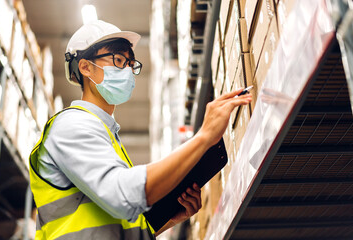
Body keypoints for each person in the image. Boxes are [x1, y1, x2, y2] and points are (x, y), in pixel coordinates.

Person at [29, 20, 252, 240]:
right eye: (118, 60)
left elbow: (115, 225)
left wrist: (168, 219)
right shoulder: (71, 126)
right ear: (86, 67)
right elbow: (122, 195)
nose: (127, 70)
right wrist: (204, 137)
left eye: (130, 63)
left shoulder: (108, 138)